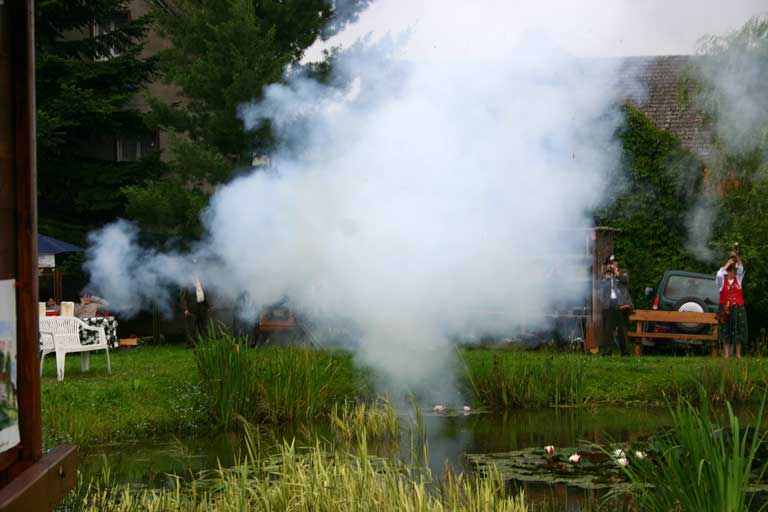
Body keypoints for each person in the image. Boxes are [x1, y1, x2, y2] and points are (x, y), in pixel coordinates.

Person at [598, 255, 631, 356]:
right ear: (608, 264)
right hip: (608, 304)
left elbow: (626, 281)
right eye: (611, 263)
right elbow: (597, 286)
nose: (613, 265)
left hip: (621, 304)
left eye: (615, 262)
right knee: (607, 329)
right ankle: (607, 351)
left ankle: (625, 352)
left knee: (622, 329)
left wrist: (616, 273)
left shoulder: (623, 272)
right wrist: (605, 278)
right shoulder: (604, 275)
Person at [716, 250, 747, 358]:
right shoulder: (721, 281)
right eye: (732, 271)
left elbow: (741, 269)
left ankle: (738, 354)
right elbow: (719, 274)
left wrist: (736, 256)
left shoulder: (738, 280)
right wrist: (728, 263)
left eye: (735, 271)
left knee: (738, 330)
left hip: (738, 309)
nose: (735, 273)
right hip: (725, 309)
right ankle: (726, 355)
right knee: (726, 331)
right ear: (728, 272)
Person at [180, 274, 210, 343]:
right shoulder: (186, 283)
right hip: (191, 308)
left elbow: (204, 294)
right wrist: (185, 309)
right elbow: (183, 298)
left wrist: (207, 306)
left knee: (204, 326)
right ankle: (191, 343)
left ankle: (206, 342)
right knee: (191, 327)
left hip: (202, 306)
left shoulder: (201, 282)